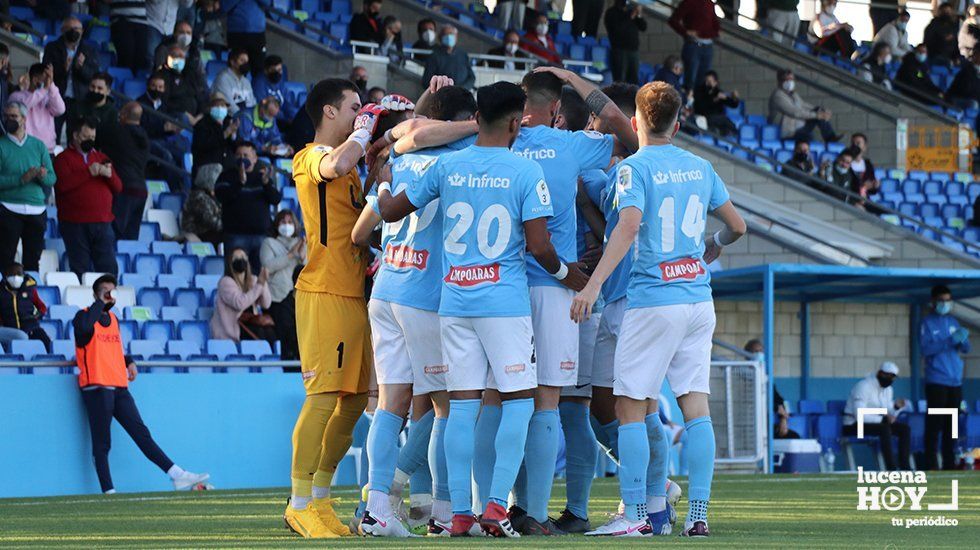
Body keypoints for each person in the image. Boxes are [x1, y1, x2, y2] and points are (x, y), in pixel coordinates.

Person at [377, 80, 570, 538]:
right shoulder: (525, 171)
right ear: (512, 121)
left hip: (454, 301)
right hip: (503, 304)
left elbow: (391, 211)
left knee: (461, 408)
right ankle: (497, 508)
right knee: (519, 402)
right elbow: (541, 247)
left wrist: (383, 184)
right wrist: (569, 276)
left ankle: (460, 511)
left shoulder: (450, 166)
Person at [569, 81, 746, 537]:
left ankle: (636, 517)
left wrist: (593, 285)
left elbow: (627, 229)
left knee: (629, 407)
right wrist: (714, 244)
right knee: (696, 409)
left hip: (654, 299)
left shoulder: (634, 169)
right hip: (697, 300)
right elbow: (737, 226)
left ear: (635, 123)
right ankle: (699, 516)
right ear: (679, 122)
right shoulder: (701, 165)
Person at [283, 78, 375, 538]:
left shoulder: (354, 169)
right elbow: (336, 162)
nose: (361, 114)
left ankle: (320, 498)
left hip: (354, 292)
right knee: (322, 397)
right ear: (328, 112)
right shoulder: (310, 157)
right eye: (354, 107)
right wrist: (365, 132)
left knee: (356, 399)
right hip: (323, 291)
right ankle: (297, 503)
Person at [74, 274, 210, 494]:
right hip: (97, 387)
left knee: (141, 434)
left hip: (118, 386)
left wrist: (129, 361)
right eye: (105, 290)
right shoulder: (83, 316)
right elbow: (83, 333)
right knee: (102, 443)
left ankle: (177, 475)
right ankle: (108, 491)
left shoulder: (114, 320)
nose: (110, 294)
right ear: (96, 295)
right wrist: (99, 302)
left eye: (112, 290)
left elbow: (114, 350)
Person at [53, 116, 122, 276]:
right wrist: (88, 172)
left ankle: (108, 300)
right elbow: (62, 186)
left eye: (92, 137)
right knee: (80, 269)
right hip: (75, 224)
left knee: (108, 269)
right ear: (76, 136)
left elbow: (118, 187)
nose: (90, 140)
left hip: (103, 223)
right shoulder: (63, 159)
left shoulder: (101, 157)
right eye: (86, 137)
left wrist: (109, 175)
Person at [0, 101, 56, 272]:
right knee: (5, 258)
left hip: (36, 210)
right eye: (6, 116)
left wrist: (42, 176)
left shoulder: (38, 145)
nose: (9, 120)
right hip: (8, 208)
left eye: (14, 116)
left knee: (33, 260)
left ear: (24, 119)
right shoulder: (1, 145)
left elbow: (52, 179)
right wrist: (22, 179)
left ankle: (30, 297)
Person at [920, 285, 969, 470]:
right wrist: (948, 341)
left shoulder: (953, 321)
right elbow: (925, 349)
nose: (945, 304)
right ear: (933, 302)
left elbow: (965, 349)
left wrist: (964, 341)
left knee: (952, 425)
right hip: (936, 381)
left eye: (948, 300)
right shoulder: (927, 323)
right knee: (935, 424)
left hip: (955, 381)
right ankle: (931, 464)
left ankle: (949, 463)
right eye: (942, 300)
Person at [215, 141, 282, 271]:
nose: (242, 158)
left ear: (255, 158)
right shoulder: (226, 176)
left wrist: (267, 184)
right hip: (235, 236)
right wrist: (240, 182)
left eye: (246, 155)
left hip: (260, 236)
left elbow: (276, 199)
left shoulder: (263, 177)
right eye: (239, 155)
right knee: (236, 276)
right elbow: (221, 197)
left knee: (259, 279)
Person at [842, 362, 912, 471]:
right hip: (853, 425)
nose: (890, 379)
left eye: (892, 377)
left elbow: (888, 411)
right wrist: (883, 419)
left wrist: (896, 407)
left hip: (876, 423)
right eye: (887, 376)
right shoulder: (864, 386)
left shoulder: (888, 390)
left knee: (904, 429)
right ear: (880, 373)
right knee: (884, 428)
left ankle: (905, 467)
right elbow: (859, 414)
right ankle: (891, 468)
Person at [42, 16, 101, 137]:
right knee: (53, 133)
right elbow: (46, 73)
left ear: (82, 31)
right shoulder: (52, 47)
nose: (74, 31)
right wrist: (64, 68)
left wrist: (81, 68)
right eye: (70, 28)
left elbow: (93, 76)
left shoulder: (88, 50)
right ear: (63, 30)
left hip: (79, 100)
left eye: (77, 28)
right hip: (57, 98)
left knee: (75, 135)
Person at [100, 102, 150, 241]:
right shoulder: (144, 137)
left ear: (123, 114)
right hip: (141, 189)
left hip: (124, 188)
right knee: (131, 238)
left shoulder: (116, 132)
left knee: (115, 234)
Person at [260, 210, 304, 360]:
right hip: (278, 299)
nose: (287, 225)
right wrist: (290, 255)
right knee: (285, 338)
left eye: (290, 222)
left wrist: (302, 255)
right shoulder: (269, 243)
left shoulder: (302, 243)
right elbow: (267, 267)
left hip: (299, 300)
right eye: (283, 222)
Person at [210, 248, 273, 342]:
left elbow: (266, 304)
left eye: (243, 257)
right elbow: (240, 303)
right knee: (261, 334)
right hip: (234, 329)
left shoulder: (253, 280)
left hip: (251, 323)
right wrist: (259, 284)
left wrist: (263, 282)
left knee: (271, 332)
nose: (240, 260)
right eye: (236, 258)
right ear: (230, 262)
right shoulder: (225, 282)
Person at [769, 69, 841, 142]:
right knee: (809, 136)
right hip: (787, 132)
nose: (790, 82)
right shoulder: (778, 96)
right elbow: (795, 112)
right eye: (786, 79)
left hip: (799, 127)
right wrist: (817, 115)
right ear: (779, 81)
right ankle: (829, 139)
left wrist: (820, 110)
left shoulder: (793, 94)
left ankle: (830, 138)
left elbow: (803, 104)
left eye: (791, 79)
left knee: (819, 111)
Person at [8, 63, 65, 153]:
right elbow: (25, 105)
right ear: (35, 80)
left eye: (49, 79)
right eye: (45, 80)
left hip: (48, 149)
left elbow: (60, 110)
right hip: (26, 149)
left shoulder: (49, 95)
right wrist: (44, 89)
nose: (48, 83)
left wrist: (52, 85)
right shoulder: (16, 96)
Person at [669, 0, 720, 92]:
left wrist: (713, 33)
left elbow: (715, 23)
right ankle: (689, 103)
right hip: (693, 45)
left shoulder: (709, 4)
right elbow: (673, 20)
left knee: (704, 80)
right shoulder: (688, 2)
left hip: (707, 45)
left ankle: (698, 104)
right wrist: (685, 32)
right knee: (690, 80)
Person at [0, 262, 50, 351]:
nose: (16, 277)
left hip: (31, 327)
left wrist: (37, 315)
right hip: (11, 329)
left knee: (46, 341)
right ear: (6, 276)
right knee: (21, 337)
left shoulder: (30, 290)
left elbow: (42, 307)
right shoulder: (1, 292)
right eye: (12, 274)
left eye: (19, 274)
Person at [158, 44, 209, 117]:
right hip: (175, 116)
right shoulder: (162, 76)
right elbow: (164, 102)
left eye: (181, 57)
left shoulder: (190, 74)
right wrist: (185, 114)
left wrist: (200, 115)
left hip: (196, 116)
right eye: (175, 56)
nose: (179, 59)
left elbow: (200, 96)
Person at [192, 94, 238, 174]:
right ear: (210, 108)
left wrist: (233, 136)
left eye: (223, 105)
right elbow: (204, 145)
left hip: (227, 171)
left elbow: (234, 148)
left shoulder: (228, 123)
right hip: (206, 170)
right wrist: (225, 133)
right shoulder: (202, 124)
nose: (220, 108)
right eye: (216, 105)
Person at [222, 0, 268, 78]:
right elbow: (224, 6)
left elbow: (268, 2)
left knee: (260, 71)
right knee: (236, 69)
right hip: (236, 32)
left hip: (257, 33)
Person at [605, 0, 648, 84]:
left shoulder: (630, 11)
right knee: (620, 79)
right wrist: (630, 17)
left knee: (633, 79)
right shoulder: (611, 12)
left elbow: (643, 27)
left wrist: (638, 15)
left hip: (633, 50)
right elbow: (616, 30)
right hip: (619, 50)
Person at [180, 164, 224, 246]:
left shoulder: (214, 196)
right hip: (197, 234)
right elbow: (211, 221)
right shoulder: (198, 197)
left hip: (210, 233)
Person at [422, 26, 475, 90]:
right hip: (442, 95)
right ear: (440, 38)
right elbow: (426, 81)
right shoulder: (434, 56)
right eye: (445, 34)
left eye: (451, 34)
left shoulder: (463, 55)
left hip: (462, 94)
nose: (449, 36)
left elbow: (471, 77)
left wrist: (463, 89)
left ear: (456, 37)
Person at [251, 55, 298, 126]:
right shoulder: (259, 83)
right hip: (269, 119)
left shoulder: (279, 82)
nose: (278, 73)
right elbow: (263, 107)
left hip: (283, 118)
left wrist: (295, 116)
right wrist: (285, 118)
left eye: (280, 70)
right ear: (266, 71)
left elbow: (287, 103)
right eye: (275, 70)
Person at [109, 0, 153, 73]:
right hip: (121, 19)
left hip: (141, 20)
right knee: (126, 57)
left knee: (141, 57)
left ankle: (134, 82)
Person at [693, 71, 740, 136]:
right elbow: (700, 106)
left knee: (725, 129)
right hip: (705, 117)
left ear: (715, 82)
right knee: (725, 120)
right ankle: (737, 133)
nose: (707, 84)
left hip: (718, 119)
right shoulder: (700, 91)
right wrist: (715, 99)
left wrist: (735, 99)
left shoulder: (718, 92)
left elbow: (733, 105)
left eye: (709, 82)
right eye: (706, 81)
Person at [213, 48, 256, 116]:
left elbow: (252, 103)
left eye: (246, 62)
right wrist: (244, 118)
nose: (245, 64)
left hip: (245, 118)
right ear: (232, 62)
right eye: (242, 61)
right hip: (228, 118)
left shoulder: (246, 81)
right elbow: (230, 105)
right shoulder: (223, 78)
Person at [925, 2, 961, 67]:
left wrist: (956, 57)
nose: (947, 13)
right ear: (940, 12)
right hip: (936, 55)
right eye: (945, 11)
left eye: (948, 11)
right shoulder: (933, 25)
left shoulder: (953, 27)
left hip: (950, 56)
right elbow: (928, 42)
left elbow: (955, 45)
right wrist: (943, 39)